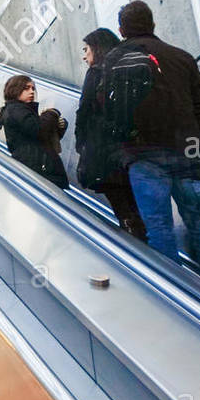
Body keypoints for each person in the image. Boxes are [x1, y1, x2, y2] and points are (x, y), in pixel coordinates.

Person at [101, 0, 200, 286]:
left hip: (143, 157)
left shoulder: (114, 60)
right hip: (186, 154)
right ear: (153, 24)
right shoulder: (181, 58)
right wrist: (193, 140)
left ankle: (175, 297)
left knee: (159, 227)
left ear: (121, 30)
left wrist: (124, 146)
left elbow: (106, 111)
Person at [75, 27, 147, 241]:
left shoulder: (95, 73)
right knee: (139, 208)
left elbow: (85, 111)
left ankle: (141, 256)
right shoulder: (129, 70)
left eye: (86, 49)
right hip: (134, 152)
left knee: (124, 211)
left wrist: (81, 144)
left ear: (97, 49)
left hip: (106, 156)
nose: (84, 55)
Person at [0, 75, 68, 187]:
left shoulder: (22, 110)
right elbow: (38, 130)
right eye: (26, 88)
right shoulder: (16, 110)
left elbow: (41, 139)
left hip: (38, 168)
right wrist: (52, 113)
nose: (32, 92)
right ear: (15, 89)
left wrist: (58, 126)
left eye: (33, 88)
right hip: (38, 170)